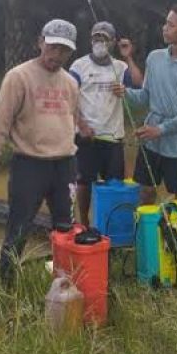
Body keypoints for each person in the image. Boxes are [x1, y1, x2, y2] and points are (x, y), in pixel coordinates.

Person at [0, 19, 80, 286]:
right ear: (40, 42)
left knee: (65, 228)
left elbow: (72, 121)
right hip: (29, 165)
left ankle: (65, 283)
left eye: (64, 50)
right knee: (18, 229)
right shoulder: (18, 77)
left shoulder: (70, 82)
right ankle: (8, 286)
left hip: (65, 165)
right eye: (52, 47)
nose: (57, 55)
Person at [113, 3, 177, 205]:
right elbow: (146, 96)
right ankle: (145, 235)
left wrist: (161, 129)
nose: (164, 28)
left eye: (171, 24)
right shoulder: (155, 58)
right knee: (146, 192)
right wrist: (126, 93)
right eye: (165, 23)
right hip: (151, 142)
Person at [69, 21, 144, 224]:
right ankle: (84, 221)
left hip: (113, 136)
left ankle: (110, 223)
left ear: (113, 42)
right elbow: (68, 96)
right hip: (86, 135)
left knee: (115, 183)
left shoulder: (120, 67)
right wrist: (81, 124)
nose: (99, 42)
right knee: (84, 182)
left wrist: (128, 56)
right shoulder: (79, 65)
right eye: (96, 37)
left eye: (104, 38)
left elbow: (138, 83)